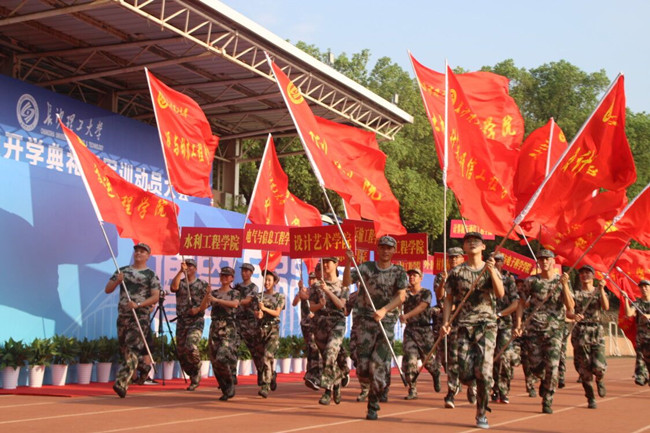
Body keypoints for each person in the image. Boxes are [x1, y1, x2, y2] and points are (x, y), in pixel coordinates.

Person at [440, 232, 504, 430]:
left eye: (477, 241)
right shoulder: (457, 272)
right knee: (464, 371)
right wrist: (446, 322)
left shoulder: (490, 269)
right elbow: (448, 299)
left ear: (483, 247)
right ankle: (471, 384)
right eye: (468, 241)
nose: (472, 243)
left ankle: (481, 412)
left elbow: (500, 293)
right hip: (463, 326)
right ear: (464, 248)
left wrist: (491, 271)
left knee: (484, 372)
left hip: (486, 326)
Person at [343, 235, 407, 420]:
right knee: (363, 368)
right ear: (377, 249)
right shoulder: (366, 268)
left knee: (376, 365)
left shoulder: (399, 272)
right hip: (365, 322)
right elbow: (346, 282)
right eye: (382, 247)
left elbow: (401, 296)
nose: (386, 251)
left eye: (389, 248)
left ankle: (373, 403)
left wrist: (385, 310)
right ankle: (372, 386)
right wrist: (348, 262)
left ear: (394, 250)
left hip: (385, 323)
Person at [514, 249, 574, 415]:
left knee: (553, 367)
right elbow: (521, 303)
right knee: (535, 366)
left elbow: (570, 306)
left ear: (553, 261)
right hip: (534, 329)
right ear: (538, 262)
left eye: (547, 259)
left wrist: (564, 285)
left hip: (555, 331)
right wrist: (518, 324)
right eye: (541, 259)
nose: (544, 262)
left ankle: (547, 399)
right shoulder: (531, 281)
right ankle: (543, 380)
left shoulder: (561, 281)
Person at [105, 243, 161, 398]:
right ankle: (143, 366)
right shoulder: (122, 271)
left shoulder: (150, 275)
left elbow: (155, 296)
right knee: (124, 349)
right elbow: (108, 289)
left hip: (140, 317)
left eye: (142, 251)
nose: (138, 253)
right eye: (137, 251)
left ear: (148, 256)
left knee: (132, 348)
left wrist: (139, 304)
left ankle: (121, 382)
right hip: (123, 316)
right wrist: (117, 281)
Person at [566, 264, 609, 409]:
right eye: (582, 273)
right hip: (580, 331)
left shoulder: (598, 291)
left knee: (599, 366)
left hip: (596, 330)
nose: (585, 275)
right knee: (584, 369)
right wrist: (574, 316)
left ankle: (600, 379)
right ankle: (590, 397)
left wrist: (601, 289)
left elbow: (605, 306)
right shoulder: (576, 294)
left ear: (593, 276)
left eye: (588, 273)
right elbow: (568, 311)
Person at [310, 257, 349, 405]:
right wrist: (320, 306)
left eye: (328, 262)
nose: (325, 265)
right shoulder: (316, 286)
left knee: (330, 352)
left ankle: (327, 390)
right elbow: (311, 307)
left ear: (336, 264)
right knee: (327, 357)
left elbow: (341, 305)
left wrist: (327, 291)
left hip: (337, 322)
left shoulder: (343, 286)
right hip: (320, 323)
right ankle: (337, 382)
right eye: (323, 262)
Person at [170, 258, 210, 391]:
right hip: (182, 321)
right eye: (186, 266)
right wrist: (180, 272)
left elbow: (208, 301)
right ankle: (193, 374)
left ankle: (197, 368)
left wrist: (198, 309)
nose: (188, 268)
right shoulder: (180, 282)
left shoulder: (202, 284)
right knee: (181, 353)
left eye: (190, 266)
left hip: (196, 320)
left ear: (196, 269)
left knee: (191, 345)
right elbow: (173, 288)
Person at [202, 266, 239, 401]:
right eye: (222, 275)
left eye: (227, 276)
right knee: (214, 360)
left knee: (222, 356)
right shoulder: (214, 293)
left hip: (228, 327)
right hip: (215, 327)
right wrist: (207, 296)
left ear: (232, 278)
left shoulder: (234, 293)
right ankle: (225, 388)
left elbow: (235, 304)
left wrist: (217, 300)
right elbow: (202, 307)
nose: (224, 278)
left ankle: (230, 382)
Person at [400, 268, 438, 400]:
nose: (411, 277)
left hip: (424, 331)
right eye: (410, 275)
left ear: (421, 278)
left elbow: (422, 306)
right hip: (410, 330)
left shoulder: (426, 293)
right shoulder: (405, 293)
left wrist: (407, 315)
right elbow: (397, 301)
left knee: (428, 361)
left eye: (415, 275)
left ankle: (435, 372)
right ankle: (412, 389)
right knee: (410, 359)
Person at [435, 247, 465, 401]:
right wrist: (443, 281)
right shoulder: (442, 275)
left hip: (463, 321)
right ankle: (453, 386)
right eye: (451, 257)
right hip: (446, 320)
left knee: (464, 356)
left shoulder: (466, 274)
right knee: (447, 356)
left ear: (462, 258)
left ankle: (469, 384)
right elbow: (440, 296)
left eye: (456, 257)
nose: (453, 260)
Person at [491, 253, 520, 404]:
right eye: (492, 260)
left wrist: (500, 314)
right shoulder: (483, 279)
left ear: (502, 263)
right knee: (487, 358)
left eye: (498, 261)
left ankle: (502, 389)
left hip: (503, 325)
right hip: (485, 324)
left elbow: (515, 304)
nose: (495, 263)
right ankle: (493, 388)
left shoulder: (508, 281)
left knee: (503, 358)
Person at [253, 269, 286, 398]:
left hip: (273, 329)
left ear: (275, 282)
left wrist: (264, 308)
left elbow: (277, 313)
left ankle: (265, 386)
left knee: (267, 355)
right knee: (262, 358)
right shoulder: (259, 297)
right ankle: (271, 375)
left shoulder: (279, 297)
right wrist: (259, 313)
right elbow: (256, 312)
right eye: (265, 280)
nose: (266, 282)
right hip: (261, 329)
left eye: (269, 280)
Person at [293, 270, 322, 390]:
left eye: (314, 278)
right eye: (310, 279)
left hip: (316, 325)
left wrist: (304, 293)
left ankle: (315, 375)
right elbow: (294, 303)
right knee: (310, 349)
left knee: (314, 349)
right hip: (305, 324)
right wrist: (300, 291)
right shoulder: (304, 291)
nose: (312, 281)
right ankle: (311, 374)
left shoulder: (318, 292)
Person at [232, 263, 260, 383]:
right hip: (237, 321)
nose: (244, 273)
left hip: (250, 323)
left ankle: (262, 373)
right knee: (233, 348)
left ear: (251, 273)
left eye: (246, 271)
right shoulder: (237, 287)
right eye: (243, 271)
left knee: (255, 350)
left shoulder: (254, 287)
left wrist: (236, 302)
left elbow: (248, 300)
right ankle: (232, 376)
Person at [624, 280, 650, 387]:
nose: (644, 289)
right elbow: (629, 313)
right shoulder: (637, 303)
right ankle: (641, 376)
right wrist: (626, 300)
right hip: (642, 338)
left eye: (646, 286)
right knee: (641, 357)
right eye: (641, 287)